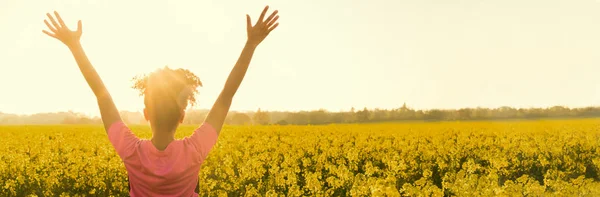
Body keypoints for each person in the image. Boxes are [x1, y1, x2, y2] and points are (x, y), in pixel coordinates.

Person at [42, 5, 279, 197]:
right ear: (182, 116)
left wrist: (74, 46)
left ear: (146, 114)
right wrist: (251, 44)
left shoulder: (131, 151)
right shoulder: (194, 151)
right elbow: (226, 95)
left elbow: (101, 93)